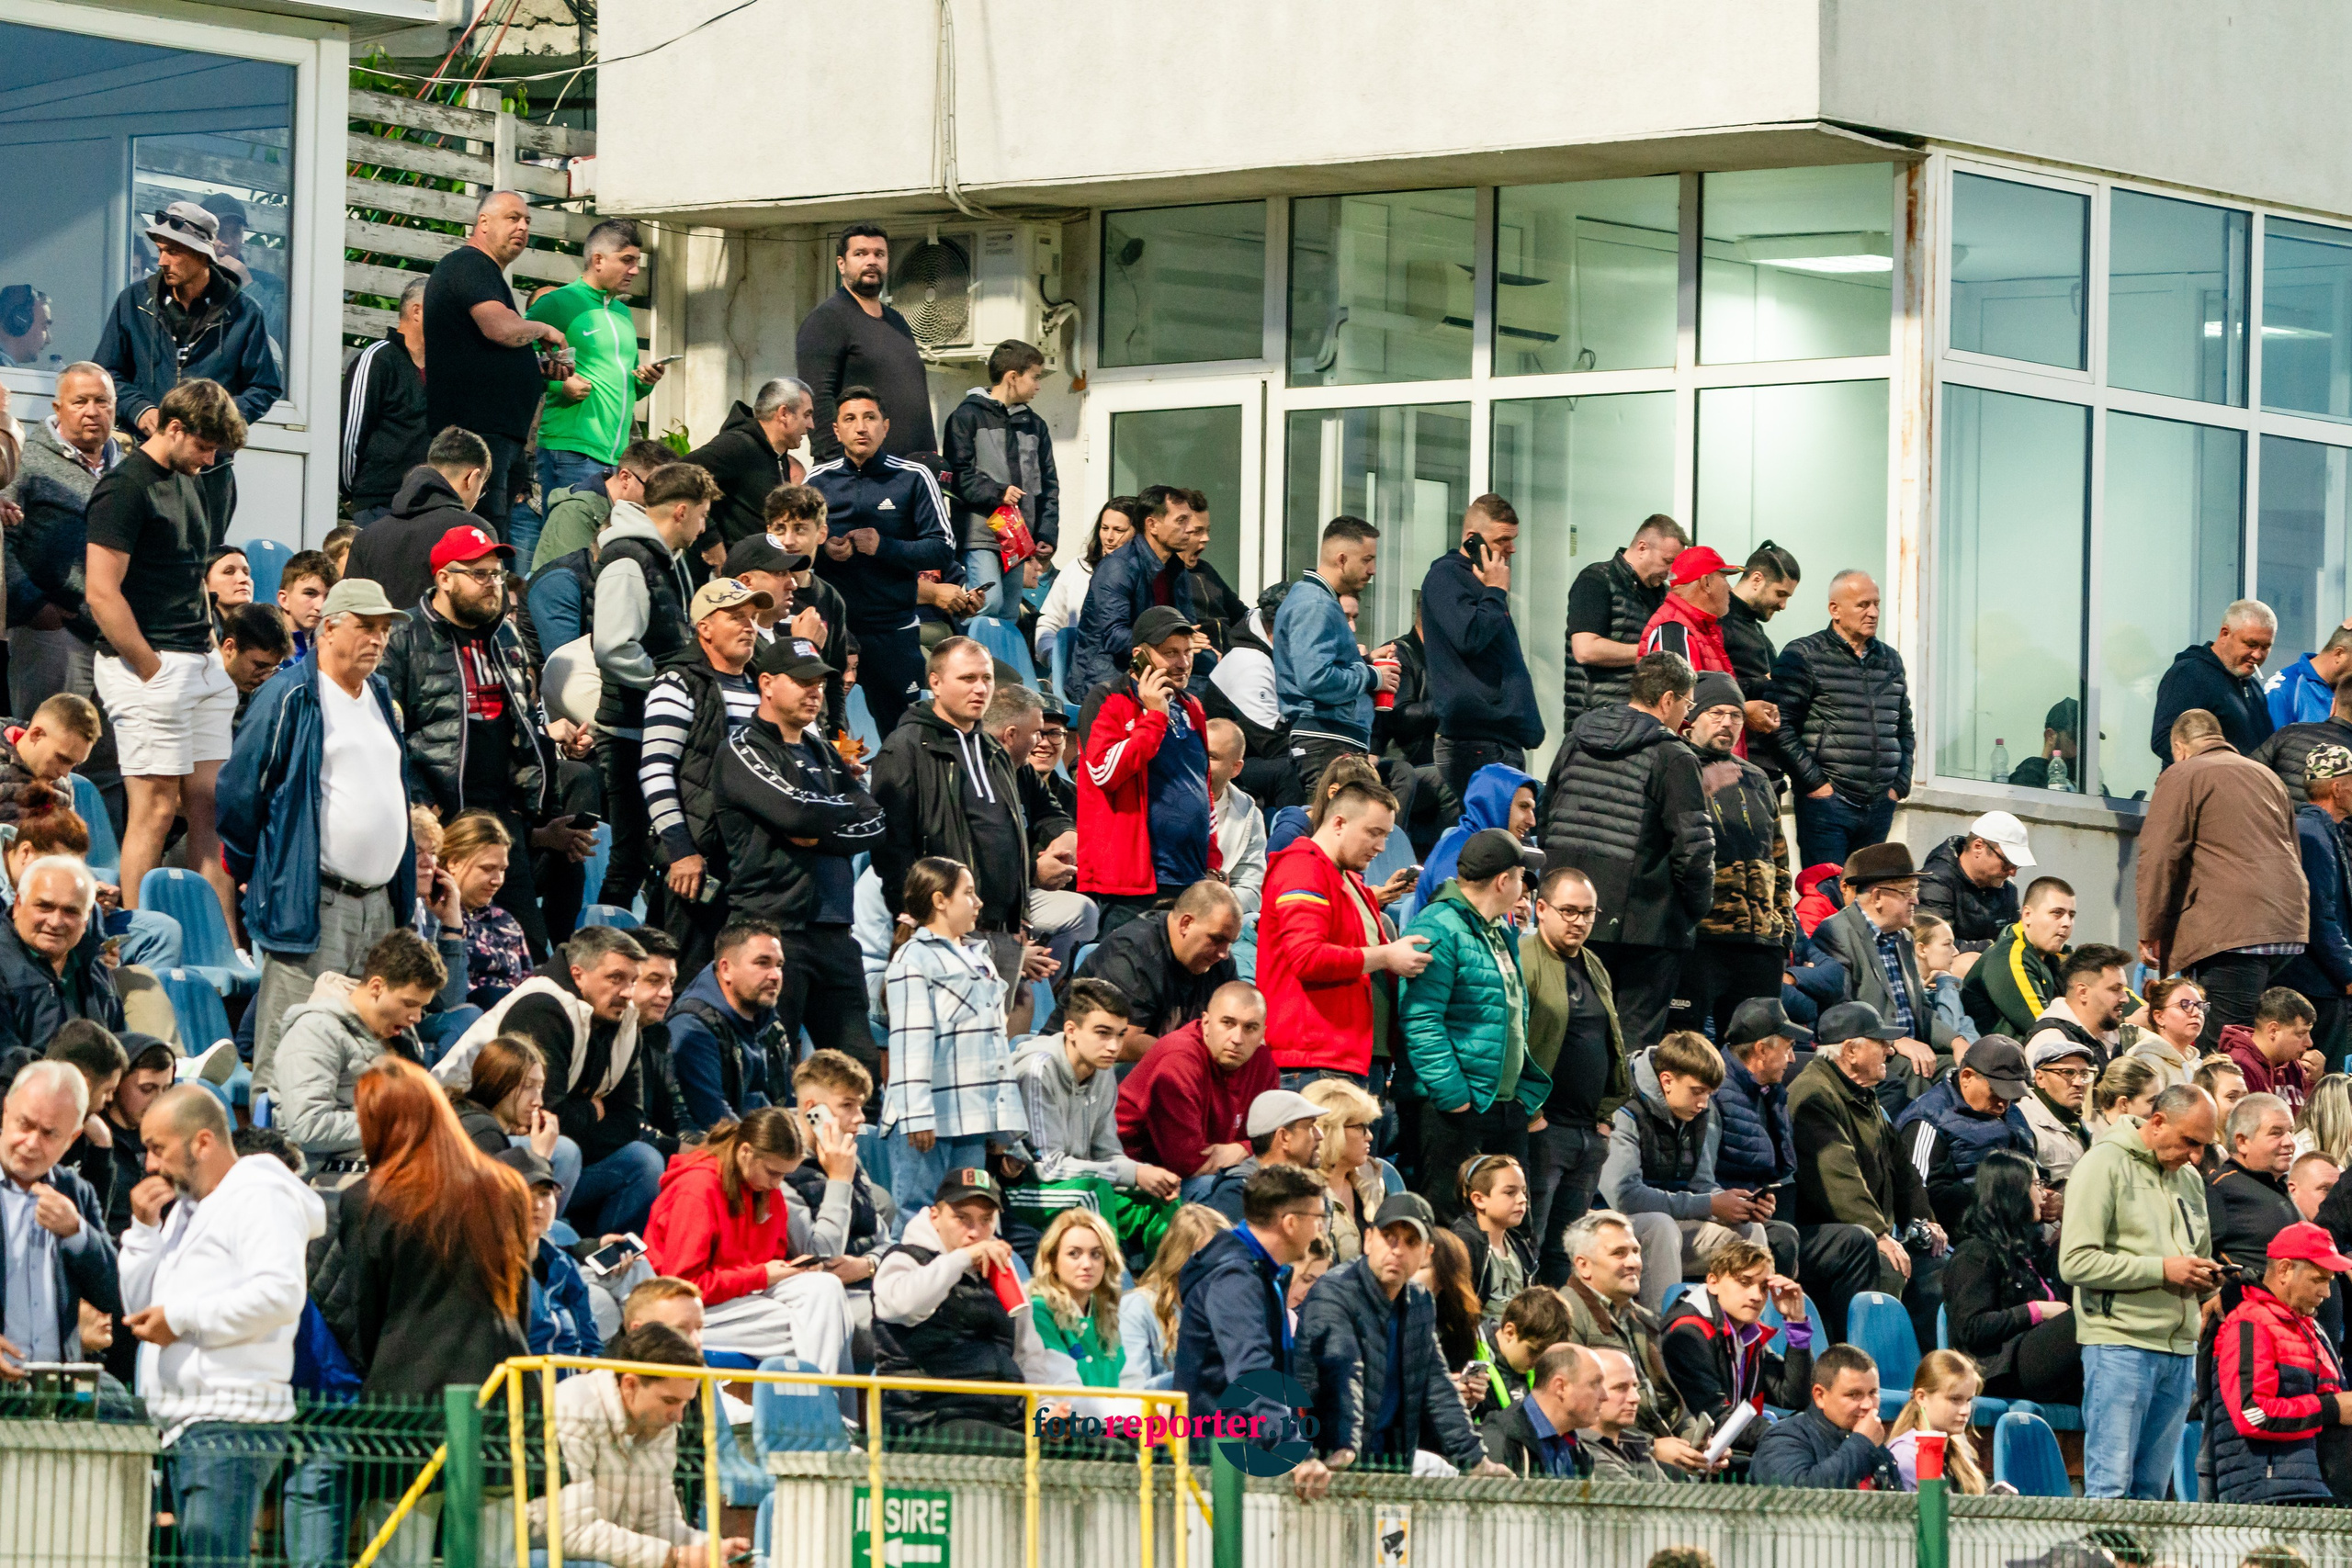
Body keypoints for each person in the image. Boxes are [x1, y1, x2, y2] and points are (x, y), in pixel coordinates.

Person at [221, 579, 419, 1099]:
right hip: (314, 900)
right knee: (288, 1057)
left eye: (384, 630)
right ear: (329, 627)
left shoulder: (379, 693)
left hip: (378, 905)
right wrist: (260, 871)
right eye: (366, 627)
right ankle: (275, 1165)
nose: (378, 640)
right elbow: (241, 793)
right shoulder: (289, 694)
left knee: (359, 1058)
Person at [119, 1084, 320, 1563]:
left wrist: (182, 1319)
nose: (149, 1164)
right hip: (186, 1424)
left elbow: (280, 1294)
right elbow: (140, 1307)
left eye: (158, 1148)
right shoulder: (188, 1209)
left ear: (202, 1142)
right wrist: (144, 1230)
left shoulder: (259, 1197)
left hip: (231, 1422)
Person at [378, 522, 582, 958]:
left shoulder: (504, 636)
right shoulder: (404, 636)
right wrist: (419, 803)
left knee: (528, 947)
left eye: (496, 574)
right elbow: (387, 732)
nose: (492, 584)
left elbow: (522, 723)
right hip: (439, 815)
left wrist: (534, 806)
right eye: (479, 574)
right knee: (436, 944)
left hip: (499, 816)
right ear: (444, 579)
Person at [81, 377, 244, 920]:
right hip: (148, 664)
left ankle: (223, 941)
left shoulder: (190, 479)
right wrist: (151, 669)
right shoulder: (124, 487)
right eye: (203, 445)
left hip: (199, 661)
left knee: (211, 808)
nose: (208, 458)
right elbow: (101, 592)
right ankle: (133, 942)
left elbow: (190, 574)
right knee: (152, 809)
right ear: (174, 428)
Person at [433, 925, 661, 1239]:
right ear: (578, 974)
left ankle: (600, 1261)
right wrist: (593, 1112)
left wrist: (574, 1117)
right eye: (616, 978)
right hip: (470, 1141)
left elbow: (629, 1120)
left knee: (643, 1162)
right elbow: (548, 1116)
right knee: (564, 1151)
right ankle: (533, 1249)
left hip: (543, 1145)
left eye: (633, 981)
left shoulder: (623, 1019)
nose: (627, 992)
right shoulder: (542, 1006)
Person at [1540, 651, 1713, 1050]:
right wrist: (1692, 911)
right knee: (1631, 1048)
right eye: (1687, 704)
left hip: (1573, 917)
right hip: (1646, 928)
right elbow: (1694, 849)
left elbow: (1546, 817)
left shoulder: (1577, 737)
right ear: (1668, 700)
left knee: (1571, 1038)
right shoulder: (1673, 755)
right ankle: (1620, 1116)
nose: (1686, 715)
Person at [2057, 1082, 2221, 1498]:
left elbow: (2193, 1256)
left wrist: (2207, 1278)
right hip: (2120, 1346)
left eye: (2203, 1146)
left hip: (2179, 1351)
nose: (2196, 1156)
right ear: (2159, 1122)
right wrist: (2162, 1269)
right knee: (2110, 1489)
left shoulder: (2189, 1179)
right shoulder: (2102, 1165)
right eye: (2190, 1142)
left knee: (2150, 1495)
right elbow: (2074, 1262)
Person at [871, 637, 1044, 1000]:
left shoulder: (996, 751)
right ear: (935, 682)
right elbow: (891, 849)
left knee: (989, 1044)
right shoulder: (904, 748)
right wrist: (918, 919)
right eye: (967, 678)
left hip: (1003, 932)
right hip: (944, 933)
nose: (981, 688)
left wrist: (1020, 913)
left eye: (987, 678)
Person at [94, 200, 278, 536]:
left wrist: (214, 424)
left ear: (203, 255)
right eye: (161, 250)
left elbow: (265, 387)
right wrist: (140, 409)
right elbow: (106, 375)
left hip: (208, 473)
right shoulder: (133, 302)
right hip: (143, 461)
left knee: (201, 567)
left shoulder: (244, 313)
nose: (162, 260)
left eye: (175, 251)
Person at [1295, 1190, 1501, 1477]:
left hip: (1390, 1466)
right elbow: (1341, 1371)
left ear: (1427, 1253)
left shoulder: (1419, 1301)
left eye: (1411, 1242)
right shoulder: (1334, 1292)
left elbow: (1437, 1383)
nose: (1397, 1250)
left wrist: (1475, 1460)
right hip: (1325, 1465)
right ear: (1368, 1240)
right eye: (1388, 1237)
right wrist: (1342, 1448)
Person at [2141, 708, 2312, 1053]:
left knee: (2223, 1048)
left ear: (2179, 747)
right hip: (2288, 926)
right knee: (2260, 1042)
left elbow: (2159, 854)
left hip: (2233, 930)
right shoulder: (2267, 776)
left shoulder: (2183, 773)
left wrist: (2150, 929)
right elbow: (2293, 849)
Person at [590, 461, 720, 911]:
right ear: (681, 511)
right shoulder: (630, 559)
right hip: (628, 729)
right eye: (703, 516)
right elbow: (612, 645)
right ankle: (599, 952)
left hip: (648, 724)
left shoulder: (665, 560)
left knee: (645, 856)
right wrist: (669, 684)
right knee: (629, 857)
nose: (705, 528)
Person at [1403, 829, 1546, 1221]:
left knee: (1513, 1226)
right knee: (1452, 1226)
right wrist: (1455, 1097)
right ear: (1504, 881)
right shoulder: (1438, 926)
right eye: (1521, 876)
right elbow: (1420, 1018)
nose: (1523, 887)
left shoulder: (1501, 930)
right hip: (1456, 1110)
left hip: (1503, 1106)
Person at [641, 1106, 850, 1373]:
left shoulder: (766, 1190)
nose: (778, 1184)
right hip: (683, 1311)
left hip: (739, 1298)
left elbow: (765, 1261)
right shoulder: (697, 1190)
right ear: (746, 1152)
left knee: (825, 1288)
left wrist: (791, 1270)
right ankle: (818, 1406)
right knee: (815, 1325)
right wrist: (761, 1276)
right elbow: (682, 1287)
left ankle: (828, 1408)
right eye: (773, 1172)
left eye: (785, 1175)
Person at [1173, 1163, 1335, 1498]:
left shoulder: (1261, 1272)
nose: (1321, 1230)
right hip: (1214, 1470)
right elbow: (1251, 1373)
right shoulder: (1235, 1278)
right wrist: (1290, 1448)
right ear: (1291, 1223)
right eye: (1317, 1218)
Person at [1601, 1029, 1793, 1311]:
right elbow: (1624, 1197)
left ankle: (1747, 1337)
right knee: (1660, 1226)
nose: (1704, 1102)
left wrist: (1738, 1204)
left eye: (1709, 1093)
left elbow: (1702, 1184)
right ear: (1667, 1081)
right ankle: (1662, 1335)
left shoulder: (1699, 1110)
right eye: (1697, 1092)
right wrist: (1708, 1204)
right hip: (1607, 1223)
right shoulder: (1625, 1107)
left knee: (1748, 1231)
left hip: (1672, 1220)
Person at [806, 385, 959, 734]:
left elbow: (942, 546)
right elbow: (795, 550)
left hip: (894, 630)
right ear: (837, 430)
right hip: (834, 631)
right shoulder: (818, 481)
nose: (861, 427)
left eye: (870, 418)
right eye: (850, 419)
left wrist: (884, 546)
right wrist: (824, 548)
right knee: (826, 732)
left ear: (885, 426)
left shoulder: (913, 478)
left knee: (903, 734)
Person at [880, 857, 1028, 1217]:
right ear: (939, 900)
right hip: (929, 1118)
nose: (978, 903)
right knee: (917, 1216)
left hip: (972, 1117)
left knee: (967, 1215)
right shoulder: (913, 959)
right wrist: (917, 1114)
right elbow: (910, 1040)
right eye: (969, 893)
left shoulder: (980, 958)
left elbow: (994, 1048)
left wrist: (1004, 1128)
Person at [1788, 1001, 1945, 1340]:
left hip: (1867, 1227)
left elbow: (1904, 1170)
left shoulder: (1862, 1094)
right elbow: (1836, 1177)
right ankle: (1872, 1371)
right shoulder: (1814, 1094)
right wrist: (1877, 1233)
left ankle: (1931, 1378)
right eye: (1881, 1043)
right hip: (1829, 1233)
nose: (1890, 1051)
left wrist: (1923, 1220)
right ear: (1851, 1051)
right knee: (1887, 1264)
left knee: (1938, 1264)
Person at [872, 1166, 1061, 1446]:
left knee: (1108, 1452)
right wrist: (960, 1259)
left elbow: (1028, 1358)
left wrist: (1044, 1412)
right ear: (935, 1217)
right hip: (928, 1420)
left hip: (1003, 1419)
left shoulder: (1001, 1274)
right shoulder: (905, 1259)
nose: (976, 1232)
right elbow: (900, 1306)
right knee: (1019, 1455)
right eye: (962, 1219)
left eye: (986, 1220)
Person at [528, 1321, 744, 1565]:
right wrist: (677, 1557)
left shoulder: (659, 1423)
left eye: (685, 1403)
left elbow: (659, 1524)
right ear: (629, 1385)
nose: (679, 1416)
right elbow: (571, 1532)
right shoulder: (573, 1408)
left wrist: (711, 1549)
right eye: (670, 1401)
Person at [1261, 777, 1429, 1085]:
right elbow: (1307, 958)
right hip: (1315, 1063)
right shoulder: (1301, 867)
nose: (1381, 846)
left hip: (1358, 1060)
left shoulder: (1351, 882)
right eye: (1373, 833)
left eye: (1386, 836)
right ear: (1338, 822)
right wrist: (1387, 955)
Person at [638, 575, 767, 963]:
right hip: (698, 862)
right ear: (704, 628)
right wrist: (679, 849)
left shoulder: (763, 685)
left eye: (753, 617)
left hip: (752, 863)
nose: (750, 626)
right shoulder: (677, 683)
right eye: (736, 617)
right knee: (686, 976)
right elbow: (655, 770)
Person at [421, 193, 569, 525]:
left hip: (495, 438)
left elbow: (485, 353)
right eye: (512, 217)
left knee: (493, 537)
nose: (522, 226)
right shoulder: (469, 263)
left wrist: (537, 370)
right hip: (477, 439)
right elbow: (499, 329)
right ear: (483, 223)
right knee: (479, 534)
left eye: (528, 221)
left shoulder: (484, 273)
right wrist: (544, 328)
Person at [1516, 865, 1632, 1289]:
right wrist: (1533, 1117)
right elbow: (1513, 1043)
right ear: (1540, 909)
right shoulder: (1523, 959)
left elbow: (1611, 1043)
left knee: (1566, 1255)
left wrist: (1604, 1119)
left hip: (1587, 1132)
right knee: (1529, 1243)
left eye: (1588, 913)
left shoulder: (1594, 964)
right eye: (1568, 911)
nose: (1579, 921)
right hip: (1544, 1131)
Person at [1075, 604, 1218, 932]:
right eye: (1170, 653)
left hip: (1190, 878)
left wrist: (1211, 862)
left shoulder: (1192, 706)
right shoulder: (1107, 698)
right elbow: (1104, 774)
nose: (1183, 663)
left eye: (1187, 651)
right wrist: (1154, 717)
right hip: (1130, 888)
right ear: (1140, 656)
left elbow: (1202, 789)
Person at [523, 219, 663, 529]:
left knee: (595, 555)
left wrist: (644, 384)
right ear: (598, 260)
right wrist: (560, 386)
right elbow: (512, 361)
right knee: (566, 549)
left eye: (637, 262)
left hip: (616, 457)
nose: (635, 270)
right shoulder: (557, 303)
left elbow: (622, 384)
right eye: (627, 260)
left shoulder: (623, 313)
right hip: (570, 450)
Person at [1770, 570, 1916, 872]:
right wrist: (1814, 783)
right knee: (1826, 897)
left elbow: (1903, 728)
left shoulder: (1890, 660)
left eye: (1876, 604)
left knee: (1866, 901)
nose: (1874, 613)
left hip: (1879, 804)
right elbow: (1780, 726)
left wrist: (1899, 784)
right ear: (1835, 610)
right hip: (1827, 805)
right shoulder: (1803, 655)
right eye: (1863, 605)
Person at [1678, 671, 1792, 1035]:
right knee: (1685, 1046)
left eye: (1736, 715)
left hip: (1760, 945)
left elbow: (1780, 859)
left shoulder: (1756, 778)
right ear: (1692, 716)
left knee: (1760, 1051)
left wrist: (1783, 928)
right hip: (1701, 941)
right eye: (1717, 713)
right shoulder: (1673, 767)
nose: (1727, 723)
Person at [273, 930, 445, 1169]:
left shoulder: (398, 1036)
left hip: (376, 1158)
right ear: (377, 987)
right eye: (409, 1004)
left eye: (422, 1008)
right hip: (319, 1170)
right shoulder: (315, 1030)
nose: (416, 1017)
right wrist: (398, 1123)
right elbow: (309, 1126)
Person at [6, 363, 120, 723]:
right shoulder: (25, 460)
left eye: (101, 401)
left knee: (108, 760)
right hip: (51, 632)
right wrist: (35, 608)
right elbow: (2, 538)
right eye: (80, 401)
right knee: (43, 748)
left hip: (114, 634)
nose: (91, 411)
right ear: (58, 409)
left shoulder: (128, 471)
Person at [2210, 1221, 2352, 1506]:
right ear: (2285, 1270)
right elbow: (2253, 1414)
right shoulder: (2249, 1322)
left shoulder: (2312, 1329)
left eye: (2330, 1282)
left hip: (2315, 1489)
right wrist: (2332, 1408)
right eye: (2318, 1279)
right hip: (2267, 1496)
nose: (2326, 1292)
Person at [1555, 1209, 1709, 1471]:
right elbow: (1572, 1412)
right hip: (1608, 1459)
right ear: (1583, 1265)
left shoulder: (1643, 1317)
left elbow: (1667, 1398)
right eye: (1619, 1253)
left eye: (1636, 1251)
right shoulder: (1564, 1316)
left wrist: (1696, 1441)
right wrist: (1650, 1447)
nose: (1634, 1262)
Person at [1419, 495, 1544, 801]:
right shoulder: (1446, 576)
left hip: (1499, 738)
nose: (1511, 548)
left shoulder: (1480, 580)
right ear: (1472, 540)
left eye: (1513, 539)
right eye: (1502, 540)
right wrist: (1495, 591)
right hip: (1475, 741)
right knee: (1491, 843)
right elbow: (1470, 636)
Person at [1809, 843, 1953, 1108]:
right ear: (1877, 897)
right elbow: (1842, 1013)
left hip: (1915, 1051)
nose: (1916, 900)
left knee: (1971, 1070)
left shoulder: (1905, 939)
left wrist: (1958, 1041)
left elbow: (1923, 1010)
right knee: (1916, 1071)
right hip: (1872, 1050)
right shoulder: (1836, 933)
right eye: (1907, 892)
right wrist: (1896, 1040)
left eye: (1915, 891)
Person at [0, 1059, 119, 1374]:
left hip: (54, 1393)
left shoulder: (75, 1192)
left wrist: (77, 1232)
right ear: (5, 1110)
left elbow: (112, 1294)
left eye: (50, 1133)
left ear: (73, 1137)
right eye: (24, 1124)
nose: (31, 1143)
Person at [1012, 977, 1179, 1196]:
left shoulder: (1102, 1069)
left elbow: (1108, 1152)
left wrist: (1143, 1174)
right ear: (1071, 1030)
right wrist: (1133, 1173)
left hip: (1081, 1181)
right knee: (1096, 1193)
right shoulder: (1038, 1071)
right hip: (1029, 1189)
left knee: (1156, 1198)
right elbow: (1047, 1167)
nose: (1114, 1047)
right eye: (1102, 1033)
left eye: (1120, 1035)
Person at [1658, 1235, 1814, 1465]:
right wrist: (1784, 1435)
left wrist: (1796, 1322)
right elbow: (1714, 1418)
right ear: (1713, 1282)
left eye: (1763, 1287)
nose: (1756, 1296)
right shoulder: (1688, 1335)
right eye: (1744, 1282)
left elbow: (1791, 1396)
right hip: (1697, 1457)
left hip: (1730, 1449)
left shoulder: (1746, 1332)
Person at [1116, 980, 1277, 1201]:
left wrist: (1242, 1149)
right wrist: (1256, 1149)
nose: (1237, 1039)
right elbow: (1188, 1164)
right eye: (1228, 1023)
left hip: (1197, 1173)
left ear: (1263, 1033)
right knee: (1234, 1193)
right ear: (1206, 1023)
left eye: (1250, 1028)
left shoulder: (1261, 1061)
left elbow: (1276, 1138)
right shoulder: (1178, 1060)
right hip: (1134, 1176)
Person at [1943, 1148, 2081, 1404]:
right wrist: (2037, 1310)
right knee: (2087, 1318)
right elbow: (1971, 1329)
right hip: (2002, 1369)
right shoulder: (1975, 1252)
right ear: (2014, 1190)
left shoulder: (2035, 1252)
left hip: (2047, 1367)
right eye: (2038, 1184)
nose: (2045, 1193)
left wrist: (2066, 1218)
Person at [1273, 515, 1393, 796]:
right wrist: (1372, 676)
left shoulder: (1315, 601)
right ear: (1341, 559)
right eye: (1367, 559)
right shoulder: (1315, 604)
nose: (1373, 569)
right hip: (1327, 741)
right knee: (1334, 834)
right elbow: (1315, 678)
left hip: (1330, 738)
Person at [943, 339, 1059, 617]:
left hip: (1019, 538)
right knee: (987, 604)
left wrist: (1045, 533)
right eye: (1035, 377)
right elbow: (957, 476)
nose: (1038, 385)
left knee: (1008, 611)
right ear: (1013, 377)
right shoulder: (966, 416)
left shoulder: (1036, 426)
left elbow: (1048, 485)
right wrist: (998, 492)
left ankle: (997, 662)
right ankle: (966, 658)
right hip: (980, 535)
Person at [797, 226, 934, 462]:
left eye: (879, 254)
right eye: (860, 254)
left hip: (912, 472)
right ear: (841, 264)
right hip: (861, 475)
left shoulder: (897, 321)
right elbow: (817, 401)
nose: (872, 261)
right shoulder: (827, 320)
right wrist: (839, 468)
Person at [1069, 485, 1201, 705]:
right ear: (1152, 525)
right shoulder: (1117, 568)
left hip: (1160, 668)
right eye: (1181, 521)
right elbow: (1113, 636)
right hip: (1107, 677)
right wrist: (1166, 641)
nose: (1190, 529)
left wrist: (1196, 642)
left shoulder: (1176, 568)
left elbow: (1187, 625)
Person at [343, 424, 492, 614]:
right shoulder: (475, 532)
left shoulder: (367, 537)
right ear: (472, 478)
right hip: (451, 643)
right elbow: (490, 610)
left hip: (382, 642)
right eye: (482, 489)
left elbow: (348, 612)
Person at [1895, 1036, 2038, 1231]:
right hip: (1963, 1238)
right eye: (1997, 1093)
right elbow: (1924, 1194)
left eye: (2011, 1096)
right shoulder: (1927, 1119)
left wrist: (2043, 1193)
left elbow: (2031, 1162)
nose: (2003, 1104)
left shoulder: (2009, 1110)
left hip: (2015, 1233)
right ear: (1967, 1076)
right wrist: (2004, 1195)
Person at [663, 920, 782, 1134]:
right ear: (726, 969)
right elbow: (715, 1121)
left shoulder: (769, 1022)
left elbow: (785, 1101)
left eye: (779, 965)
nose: (775, 976)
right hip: (724, 1151)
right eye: (763, 963)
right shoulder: (691, 1028)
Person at [0, 852, 124, 1057]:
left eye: (70, 911)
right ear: (18, 905)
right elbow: (5, 1060)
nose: (56, 922)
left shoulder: (95, 968)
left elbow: (118, 1043)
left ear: (86, 919)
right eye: (44, 906)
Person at [1566, 513, 1687, 722]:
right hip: (1600, 722)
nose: (1669, 572)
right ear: (1642, 548)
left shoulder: (1662, 594)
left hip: (1643, 719)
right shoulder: (1596, 580)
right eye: (1667, 561)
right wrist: (1652, 652)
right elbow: (1585, 649)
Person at [338, 276, 430, 523]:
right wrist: (352, 493)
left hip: (427, 508)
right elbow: (351, 433)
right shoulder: (377, 359)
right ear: (417, 311)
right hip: (379, 505)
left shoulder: (444, 369)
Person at [1750, 1342, 1902, 1489]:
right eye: (1853, 1394)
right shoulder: (1783, 1439)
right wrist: (1862, 1444)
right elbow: (1801, 1497)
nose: (1868, 1405)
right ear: (1820, 1396)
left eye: (1873, 1393)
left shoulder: (1870, 1443)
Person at [2281, 744, 2352, 1049]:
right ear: (2337, 787)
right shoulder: (2313, 835)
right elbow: (2319, 917)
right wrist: (2348, 974)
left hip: (2318, 982)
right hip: (2316, 987)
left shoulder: (2320, 831)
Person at [2153, 599, 2279, 766]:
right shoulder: (2189, 674)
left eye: (2265, 647)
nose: (2257, 655)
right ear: (2225, 634)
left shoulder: (2253, 687)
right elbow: (2164, 740)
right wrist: (2220, 772)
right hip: (2200, 790)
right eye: (2251, 644)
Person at [1118, 1203, 1228, 1390]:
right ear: (1178, 1259)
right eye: (1206, 1260)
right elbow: (1132, 1393)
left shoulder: (1230, 1308)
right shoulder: (1138, 1307)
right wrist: (1203, 1374)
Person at [530, 436, 670, 574]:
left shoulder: (632, 514)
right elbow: (566, 581)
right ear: (625, 478)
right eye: (654, 489)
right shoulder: (575, 512)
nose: (660, 499)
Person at [2211, 1092, 2301, 1292]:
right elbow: (2199, 1254)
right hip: (2251, 1317)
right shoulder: (2219, 1189)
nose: (2289, 1142)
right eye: (2276, 1133)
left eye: (2291, 1132)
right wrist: (2212, 1294)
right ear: (2242, 1141)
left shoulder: (2279, 1185)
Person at [439, 812, 532, 1007]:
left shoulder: (505, 921)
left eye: (502, 869)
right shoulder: (433, 917)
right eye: (487, 868)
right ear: (454, 862)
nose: (497, 880)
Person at [1722, 541, 1800, 770]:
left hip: (1763, 762)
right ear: (1757, 580)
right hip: (1737, 763)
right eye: (1780, 594)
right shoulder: (1719, 623)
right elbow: (1706, 689)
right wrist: (1765, 682)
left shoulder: (1754, 628)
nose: (1783, 605)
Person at [1636, 542, 1745, 706]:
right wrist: (1742, 711)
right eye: (1724, 578)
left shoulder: (1696, 627)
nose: (1729, 588)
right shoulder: (1674, 628)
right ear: (1706, 583)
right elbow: (1681, 704)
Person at [1201, 1089, 1327, 1224]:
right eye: (1310, 1126)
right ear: (1284, 1137)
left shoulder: (1306, 1186)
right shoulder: (1238, 1193)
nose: (1320, 1136)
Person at [1480, 1341, 1603, 1478]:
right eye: (1595, 1384)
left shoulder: (1578, 1452)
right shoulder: (1500, 1440)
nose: (1605, 1396)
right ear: (1560, 1387)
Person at [1917, 810, 2034, 948]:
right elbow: (1937, 944)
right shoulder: (1936, 881)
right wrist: (1997, 949)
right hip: (1948, 967)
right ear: (1978, 847)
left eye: (2016, 865)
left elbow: (2016, 936)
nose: (2012, 872)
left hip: (1991, 965)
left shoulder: (2006, 888)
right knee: (1969, 961)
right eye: (2007, 862)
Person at [1884, 1350, 1989, 1493]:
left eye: (1968, 1400)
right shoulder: (1907, 1455)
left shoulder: (1958, 1447)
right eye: (1955, 1399)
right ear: (1921, 1397)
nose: (1965, 1411)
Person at [1204, 719, 1270, 919]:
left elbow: (1251, 889)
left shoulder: (1249, 813)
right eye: (1198, 752)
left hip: (1215, 916)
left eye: (1212, 757)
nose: (1201, 763)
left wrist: (1212, 906)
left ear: (1236, 768)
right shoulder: (1165, 795)